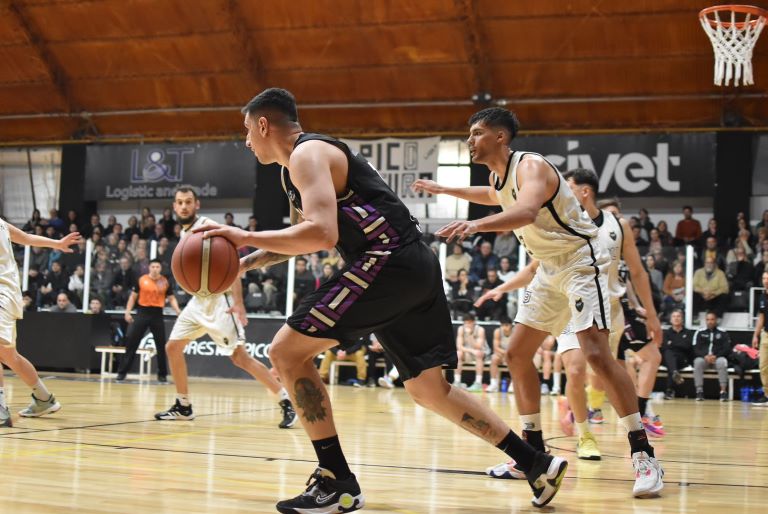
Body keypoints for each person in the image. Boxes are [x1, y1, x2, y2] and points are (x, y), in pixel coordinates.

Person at [200, 89, 566, 511]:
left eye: (247, 130)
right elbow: (306, 236)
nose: (246, 141)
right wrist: (246, 262)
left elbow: (322, 234)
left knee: (286, 352)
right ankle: (535, 463)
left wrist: (243, 236)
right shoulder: (298, 167)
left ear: (263, 124)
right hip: (412, 264)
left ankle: (336, 480)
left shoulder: (307, 154)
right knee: (430, 390)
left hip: (385, 261)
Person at [414, 110, 662, 497]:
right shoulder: (500, 177)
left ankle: (643, 454)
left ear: (501, 137)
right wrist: (447, 191)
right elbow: (493, 195)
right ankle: (532, 454)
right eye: (469, 133)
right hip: (549, 269)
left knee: (596, 354)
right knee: (515, 354)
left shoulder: (530, 166)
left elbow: (525, 211)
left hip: (582, 261)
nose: (470, 139)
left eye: (477, 133)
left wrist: (474, 224)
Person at [154, 187, 298, 430]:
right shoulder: (184, 232)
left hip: (221, 300)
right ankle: (184, 406)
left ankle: (285, 402)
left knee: (239, 357)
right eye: (179, 202)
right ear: (174, 207)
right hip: (199, 301)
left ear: (197, 204)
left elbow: (230, 262)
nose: (184, 206)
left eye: (188, 202)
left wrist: (239, 302)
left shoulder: (207, 226)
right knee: (173, 347)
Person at [0, 221, 81, 427]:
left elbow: (25, 238)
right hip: (7, 293)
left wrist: (56, 244)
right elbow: (26, 238)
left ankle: (1, 410)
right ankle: (44, 399)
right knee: (10, 356)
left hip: (3, 293)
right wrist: (56, 243)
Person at [116, 259, 180, 382]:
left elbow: (171, 298)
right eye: (153, 266)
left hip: (157, 314)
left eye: (157, 266)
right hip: (142, 313)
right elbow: (133, 297)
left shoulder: (165, 281)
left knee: (161, 345)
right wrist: (128, 311)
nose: (155, 269)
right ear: (149, 268)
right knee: (132, 343)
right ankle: (122, 373)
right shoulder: (141, 279)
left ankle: (162, 375)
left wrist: (177, 311)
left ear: (160, 268)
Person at [692, 311, 732, 401]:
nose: (710, 321)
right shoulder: (699, 332)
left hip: (717, 358)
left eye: (712, 319)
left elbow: (727, 348)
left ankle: (723, 391)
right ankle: (699, 391)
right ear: (705, 321)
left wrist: (716, 356)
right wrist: (704, 356)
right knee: (697, 362)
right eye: (708, 319)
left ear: (716, 320)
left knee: (722, 362)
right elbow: (695, 348)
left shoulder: (723, 332)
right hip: (704, 358)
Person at [662, 309, 694, 399]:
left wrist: (672, 343)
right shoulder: (666, 333)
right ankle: (674, 374)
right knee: (669, 355)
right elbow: (664, 346)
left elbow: (687, 346)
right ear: (670, 320)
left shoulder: (688, 333)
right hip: (669, 357)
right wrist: (679, 344)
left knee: (671, 362)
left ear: (682, 319)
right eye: (674, 316)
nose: (676, 318)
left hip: (682, 359)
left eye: (678, 316)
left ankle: (669, 391)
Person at [454, 313, 487, 391]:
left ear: (474, 322)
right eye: (465, 323)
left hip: (481, 353)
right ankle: (457, 381)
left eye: (469, 323)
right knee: (458, 353)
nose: (467, 325)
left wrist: (469, 335)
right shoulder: (461, 329)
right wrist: (472, 351)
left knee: (479, 353)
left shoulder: (480, 330)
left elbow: (479, 346)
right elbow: (459, 346)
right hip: (469, 352)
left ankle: (478, 383)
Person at [751, 271, 768, 406]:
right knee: (763, 366)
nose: (766, 280)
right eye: (764, 278)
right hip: (766, 335)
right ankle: (767, 395)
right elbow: (761, 317)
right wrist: (756, 335)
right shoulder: (762, 297)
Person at [486, 317, 513, 392]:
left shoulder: (515, 332)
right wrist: (504, 355)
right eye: (502, 325)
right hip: (501, 353)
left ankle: (513, 384)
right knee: (494, 358)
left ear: (511, 325)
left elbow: (516, 348)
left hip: (512, 354)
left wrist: (507, 356)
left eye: (506, 325)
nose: (504, 327)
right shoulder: (497, 331)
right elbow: (496, 348)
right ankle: (493, 383)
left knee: (516, 360)